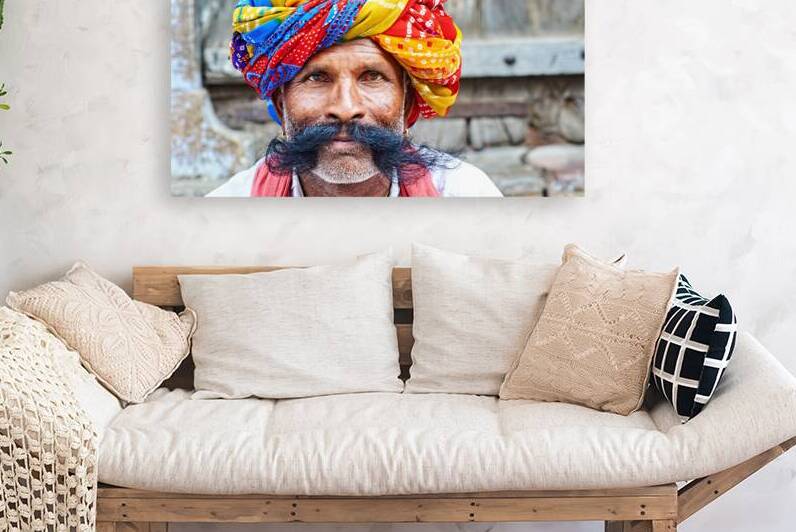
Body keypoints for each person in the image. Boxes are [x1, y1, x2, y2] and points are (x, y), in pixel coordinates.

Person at [208, 0, 503, 198]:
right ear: (281, 103)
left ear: (408, 103)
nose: (346, 108)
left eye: (372, 76)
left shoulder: (464, 196)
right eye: (317, 77)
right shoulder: (226, 216)